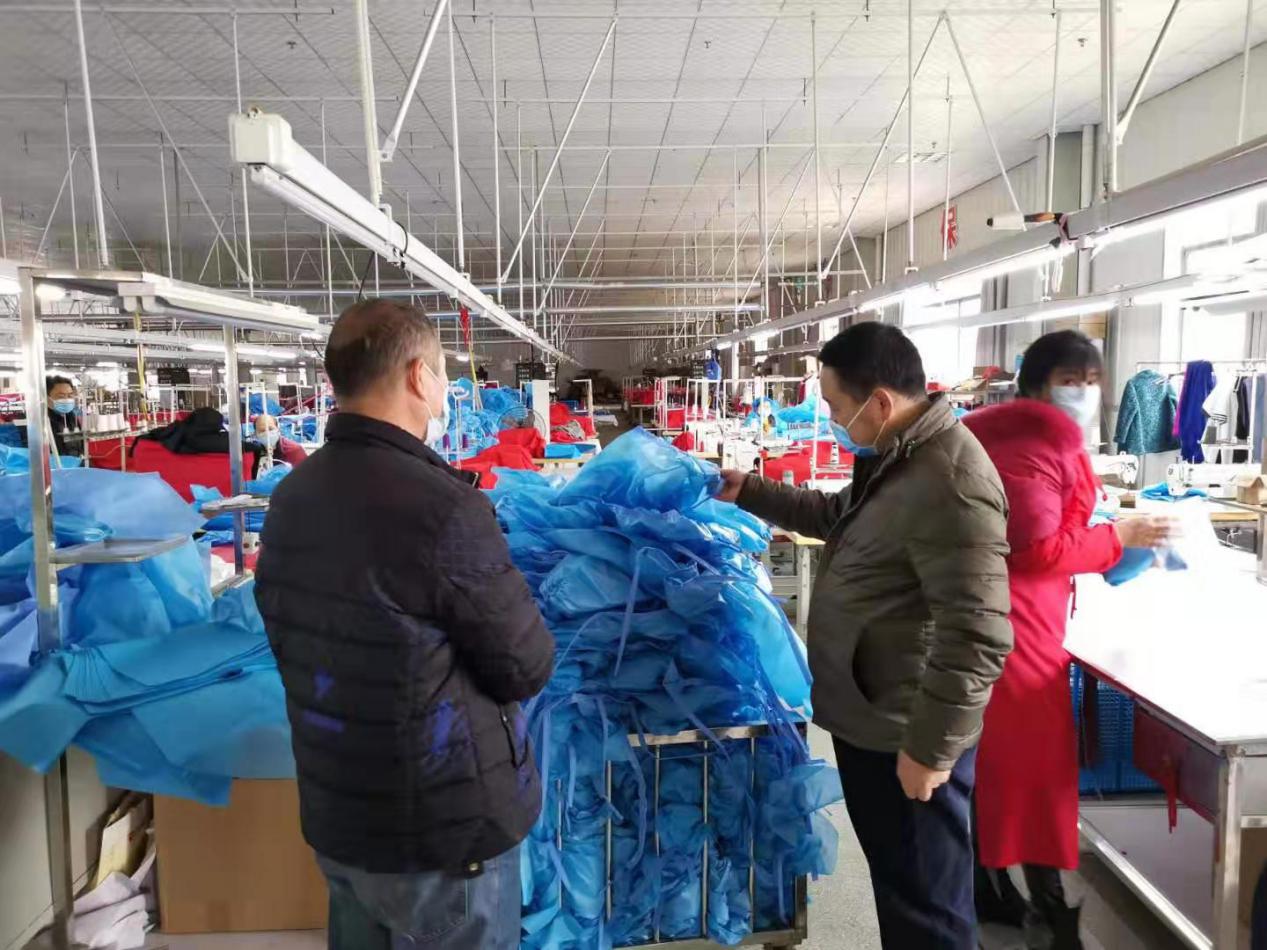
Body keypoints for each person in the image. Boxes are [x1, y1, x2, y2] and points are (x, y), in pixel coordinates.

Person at [254, 300, 555, 950]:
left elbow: (286, 632)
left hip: (341, 812)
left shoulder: (291, 496)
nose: (445, 389)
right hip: (442, 831)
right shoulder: (443, 507)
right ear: (420, 376)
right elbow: (524, 665)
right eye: (444, 374)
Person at [716, 322, 1013, 949]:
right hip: (873, 718)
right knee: (903, 888)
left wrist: (932, 750)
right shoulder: (897, 458)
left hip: (908, 729)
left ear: (879, 401)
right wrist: (751, 491)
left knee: (928, 906)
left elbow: (978, 632)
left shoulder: (950, 481)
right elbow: (838, 517)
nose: (830, 419)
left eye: (833, 406)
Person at [962, 331, 1173, 949]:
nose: (1081, 392)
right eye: (1069, 381)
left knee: (1002, 766)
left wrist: (1108, 536)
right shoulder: (1031, 441)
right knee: (1032, 769)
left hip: (1009, 617)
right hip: (1016, 628)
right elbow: (1035, 548)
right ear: (1035, 385)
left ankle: (995, 887)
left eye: (1090, 381)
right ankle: (1045, 907)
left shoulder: (1019, 434)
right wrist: (1117, 538)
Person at [46, 375, 82, 458]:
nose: (66, 399)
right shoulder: (41, 421)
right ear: (46, 397)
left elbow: (80, 445)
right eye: (61, 396)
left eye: (70, 395)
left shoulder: (72, 417)